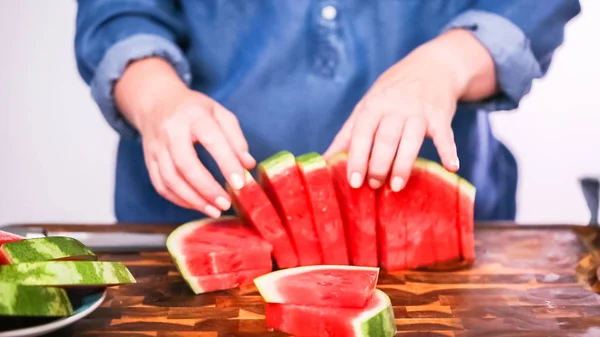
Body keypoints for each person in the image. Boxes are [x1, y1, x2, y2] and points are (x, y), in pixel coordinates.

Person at [74, 1, 580, 223]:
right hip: (192, 216)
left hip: (432, 230)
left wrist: (447, 63)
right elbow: (118, 12)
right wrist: (157, 97)